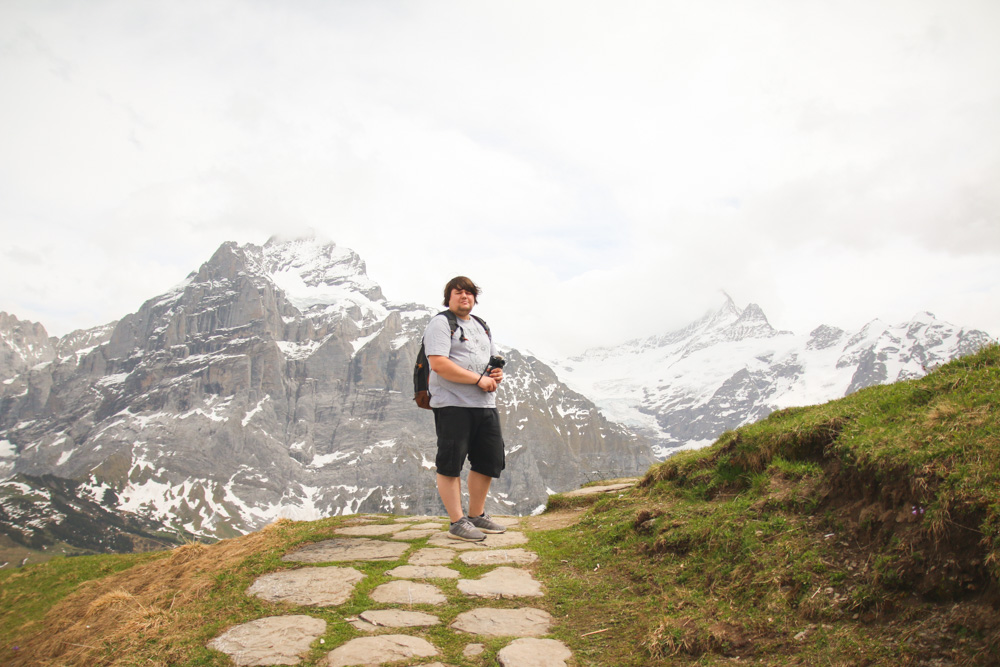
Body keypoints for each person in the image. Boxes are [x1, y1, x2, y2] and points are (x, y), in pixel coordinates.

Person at [423, 276, 508, 541]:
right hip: (452, 404)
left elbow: (488, 362)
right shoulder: (440, 323)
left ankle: (476, 515)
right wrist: (478, 379)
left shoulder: (481, 326)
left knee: (488, 460)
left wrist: (495, 375)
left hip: (484, 403)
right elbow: (438, 364)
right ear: (448, 297)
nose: (465, 297)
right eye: (458, 292)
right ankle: (457, 522)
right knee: (450, 463)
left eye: (469, 293)